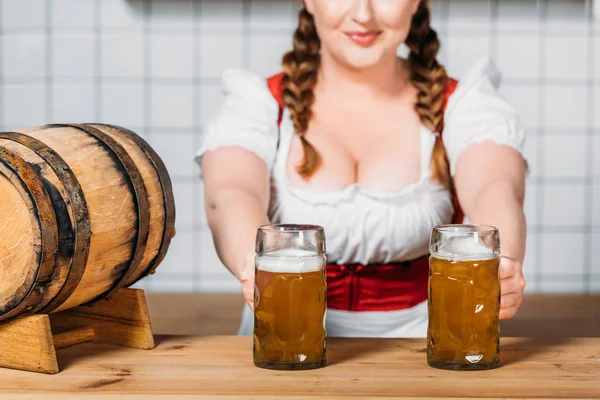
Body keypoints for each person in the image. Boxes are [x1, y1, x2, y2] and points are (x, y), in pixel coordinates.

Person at [195, 0, 527, 338]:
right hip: (283, 331)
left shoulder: (463, 103)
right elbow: (231, 193)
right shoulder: (259, 104)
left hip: (432, 339)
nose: (363, 14)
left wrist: (504, 261)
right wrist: (253, 263)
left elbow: (495, 188)